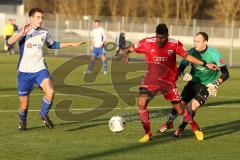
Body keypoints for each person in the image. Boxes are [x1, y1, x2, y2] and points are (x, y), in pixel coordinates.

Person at [121, 24, 219, 143]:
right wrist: (126, 52)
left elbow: (187, 57)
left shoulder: (174, 44)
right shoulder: (146, 42)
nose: (159, 40)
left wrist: (205, 64)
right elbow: (130, 48)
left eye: (162, 37)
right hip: (151, 80)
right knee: (142, 101)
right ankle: (147, 134)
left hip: (168, 81)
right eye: (157, 37)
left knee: (180, 110)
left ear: (167, 35)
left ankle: (195, 128)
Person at [8, 8, 86, 130]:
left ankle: (43, 114)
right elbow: (9, 42)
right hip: (24, 72)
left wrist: (71, 44)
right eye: (38, 17)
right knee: (24, 105)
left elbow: (53, 44)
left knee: (50, 91)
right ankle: (22, 121)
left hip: (40, 69)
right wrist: (21, 34)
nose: (41, 20)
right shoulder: (23, 30)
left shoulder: (44, 32)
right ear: (31, 18)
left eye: (42, 17)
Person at [159, 32, 229, 139]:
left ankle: (180, 129)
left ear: (205, 42)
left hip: (206, 86)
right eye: (194, 41)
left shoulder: (214, 53)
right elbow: (180, 69)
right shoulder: (191, 52)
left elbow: (225, 73)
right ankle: (168, 123)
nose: (195, 43)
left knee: (192, 107)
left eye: (198, 41)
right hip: (192, 84)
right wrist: (183, 75)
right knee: (180, 105)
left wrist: (216, 83)